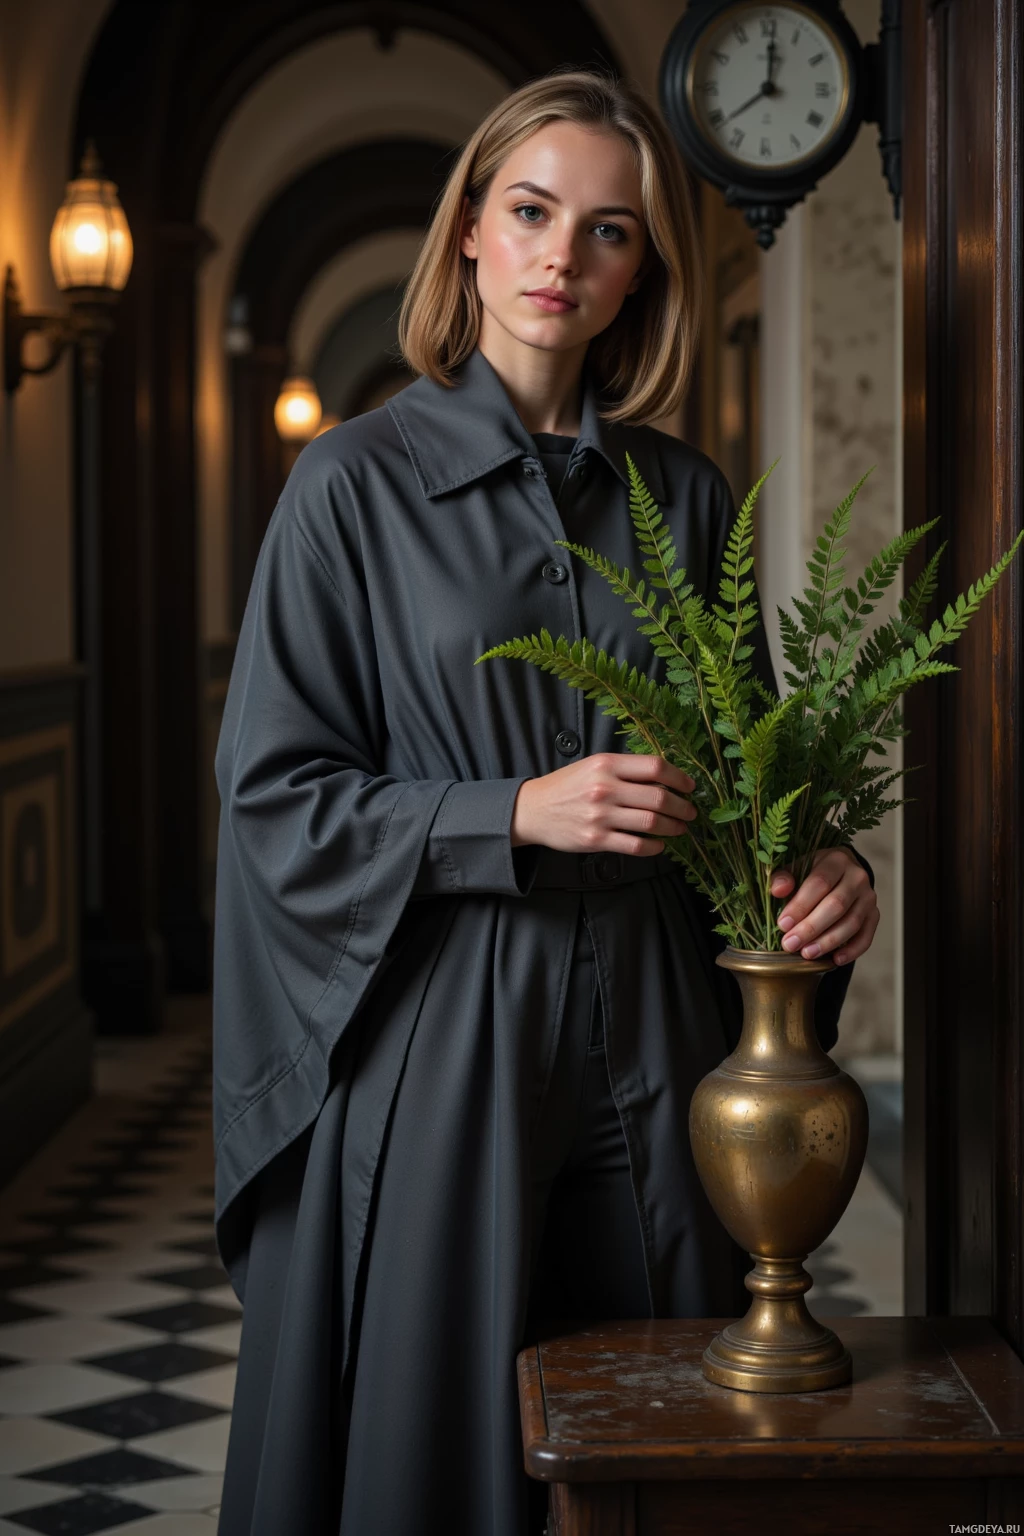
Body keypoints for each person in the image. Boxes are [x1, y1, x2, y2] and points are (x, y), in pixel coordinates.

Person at [213, 65, 879, 1536]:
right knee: (441, 1452)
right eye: (529, 212)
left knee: (678, 1429)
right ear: (467, 231)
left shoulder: (688, 497)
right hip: (450, 1035)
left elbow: (748, 789)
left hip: (665, 1030)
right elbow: (277, 799)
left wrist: (825, 865)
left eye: (609, 231)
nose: (561, 259)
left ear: (645, 270)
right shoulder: (349, 489)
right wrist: (509, 812)